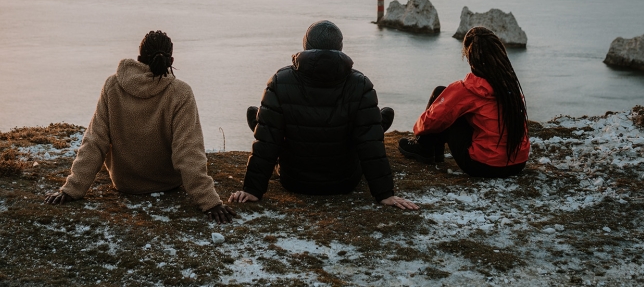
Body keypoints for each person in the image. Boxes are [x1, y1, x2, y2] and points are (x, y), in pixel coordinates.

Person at [44, 30, 235, 223]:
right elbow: (188, 152)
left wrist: (72, 189)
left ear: (139, 58)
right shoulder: (181, 93)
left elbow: (95, 142)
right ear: (172, 60)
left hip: (125, 183)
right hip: (167, 183)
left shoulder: (112, 86)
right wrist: (210, 201)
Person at [229, 20, 418, 210]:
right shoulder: (361, 84)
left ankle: (259, 120)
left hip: (294, 180)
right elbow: (370, 146)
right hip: (344, 180)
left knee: (268, 127)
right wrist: (385, 193)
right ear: (340, 47)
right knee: (370, 127)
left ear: (305, 46)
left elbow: (267, 142)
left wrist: (252, 189)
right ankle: (378, 121)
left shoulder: (279, 81)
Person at [398, 26, 530, 178]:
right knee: (462, 109)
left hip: (484, 165)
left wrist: (418, 128)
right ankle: (433, 151)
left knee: (443, 95)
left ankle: (424, 148)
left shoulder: (468, 89)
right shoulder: (510, 86)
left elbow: (433, 120)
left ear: (470, 56)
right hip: (518, 163)